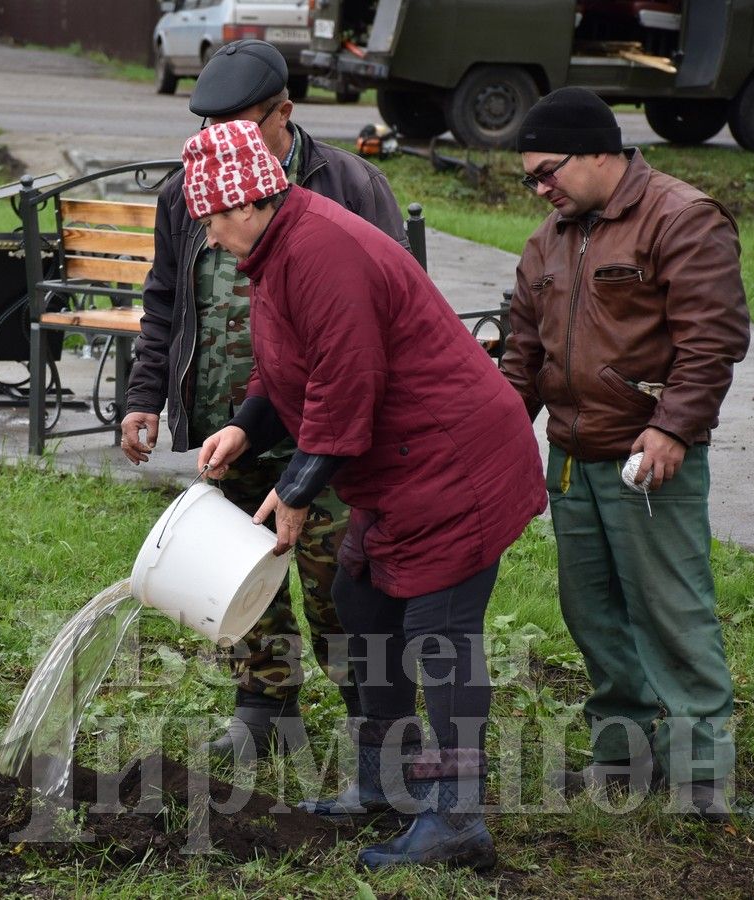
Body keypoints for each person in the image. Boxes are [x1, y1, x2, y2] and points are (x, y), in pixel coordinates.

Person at [185, 120, 545, 871]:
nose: (210, 237)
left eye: (213, 218)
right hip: (398, 467)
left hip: (454, 461)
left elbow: (348, 383)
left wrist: (295, 491)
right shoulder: (277, 253)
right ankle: (387, 783)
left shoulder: (322, 250)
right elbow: (292, 367)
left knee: (440, 635)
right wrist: (246, 429)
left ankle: (455, 818)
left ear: (250, 200)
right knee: (361, 601)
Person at [121, 38, 409, 766]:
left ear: (284, 111)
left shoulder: (349, 185)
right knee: (240, 570)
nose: (218, 144)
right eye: (207, 128)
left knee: (339, 579)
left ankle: (365, 719)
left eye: (238, 126)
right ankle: (264, 706)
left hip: (329, 425)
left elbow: (391, 314)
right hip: (233, 421)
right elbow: (163, 301)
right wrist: (143, 395)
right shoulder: (183, 190)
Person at [501, 88, 750, 819]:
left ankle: (701, 773)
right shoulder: (548, 238)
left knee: (670, 609)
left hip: (648, 459)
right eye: (530, 179)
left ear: (598, 152)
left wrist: (673, 426)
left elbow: (712, 338)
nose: (539, 188)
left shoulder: (681, 217)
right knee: (591, 611)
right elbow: (522, 351)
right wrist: (487, 428)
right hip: (573, 457)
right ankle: (622, 752)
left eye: (546, 171)